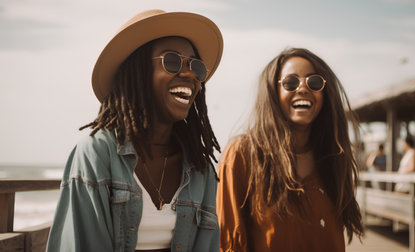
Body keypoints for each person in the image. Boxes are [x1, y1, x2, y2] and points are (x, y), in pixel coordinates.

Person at [46, 9, 223, 252]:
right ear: (137, 71)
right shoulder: (97, 153)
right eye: (171, 61)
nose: (189, 73)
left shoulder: (200, 168)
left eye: (196, 67)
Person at [217, 48, 363, 251]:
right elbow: (229, 241)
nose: (303, 89)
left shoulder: (335, 158)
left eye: (314, 82)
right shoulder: (243, 153)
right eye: (291, 82)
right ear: (273, 92)